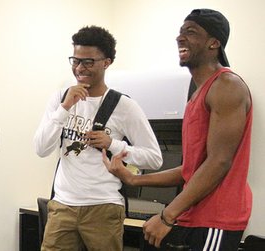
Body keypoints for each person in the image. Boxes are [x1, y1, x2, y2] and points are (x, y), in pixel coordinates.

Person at [103, 9, 252, 251]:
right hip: (193, 215)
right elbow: (191, 169)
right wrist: (133, 178)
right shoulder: (197, 96)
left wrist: (166, 216)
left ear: (214, 43)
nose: (180, 38)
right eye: (180, 32)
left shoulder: (227, 85)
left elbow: (219, 162)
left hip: (217, 217)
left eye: (190, 32)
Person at [33, 26, 162, 251]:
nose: (80, 68)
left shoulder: (124, 106)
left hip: (104, 207)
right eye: (75, 60)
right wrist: (64, 108)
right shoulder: (60, 99)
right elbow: (41, 148)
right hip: (63, 206)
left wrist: (113, 144)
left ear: (107, 62)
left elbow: (154, 159)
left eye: (88, 62)